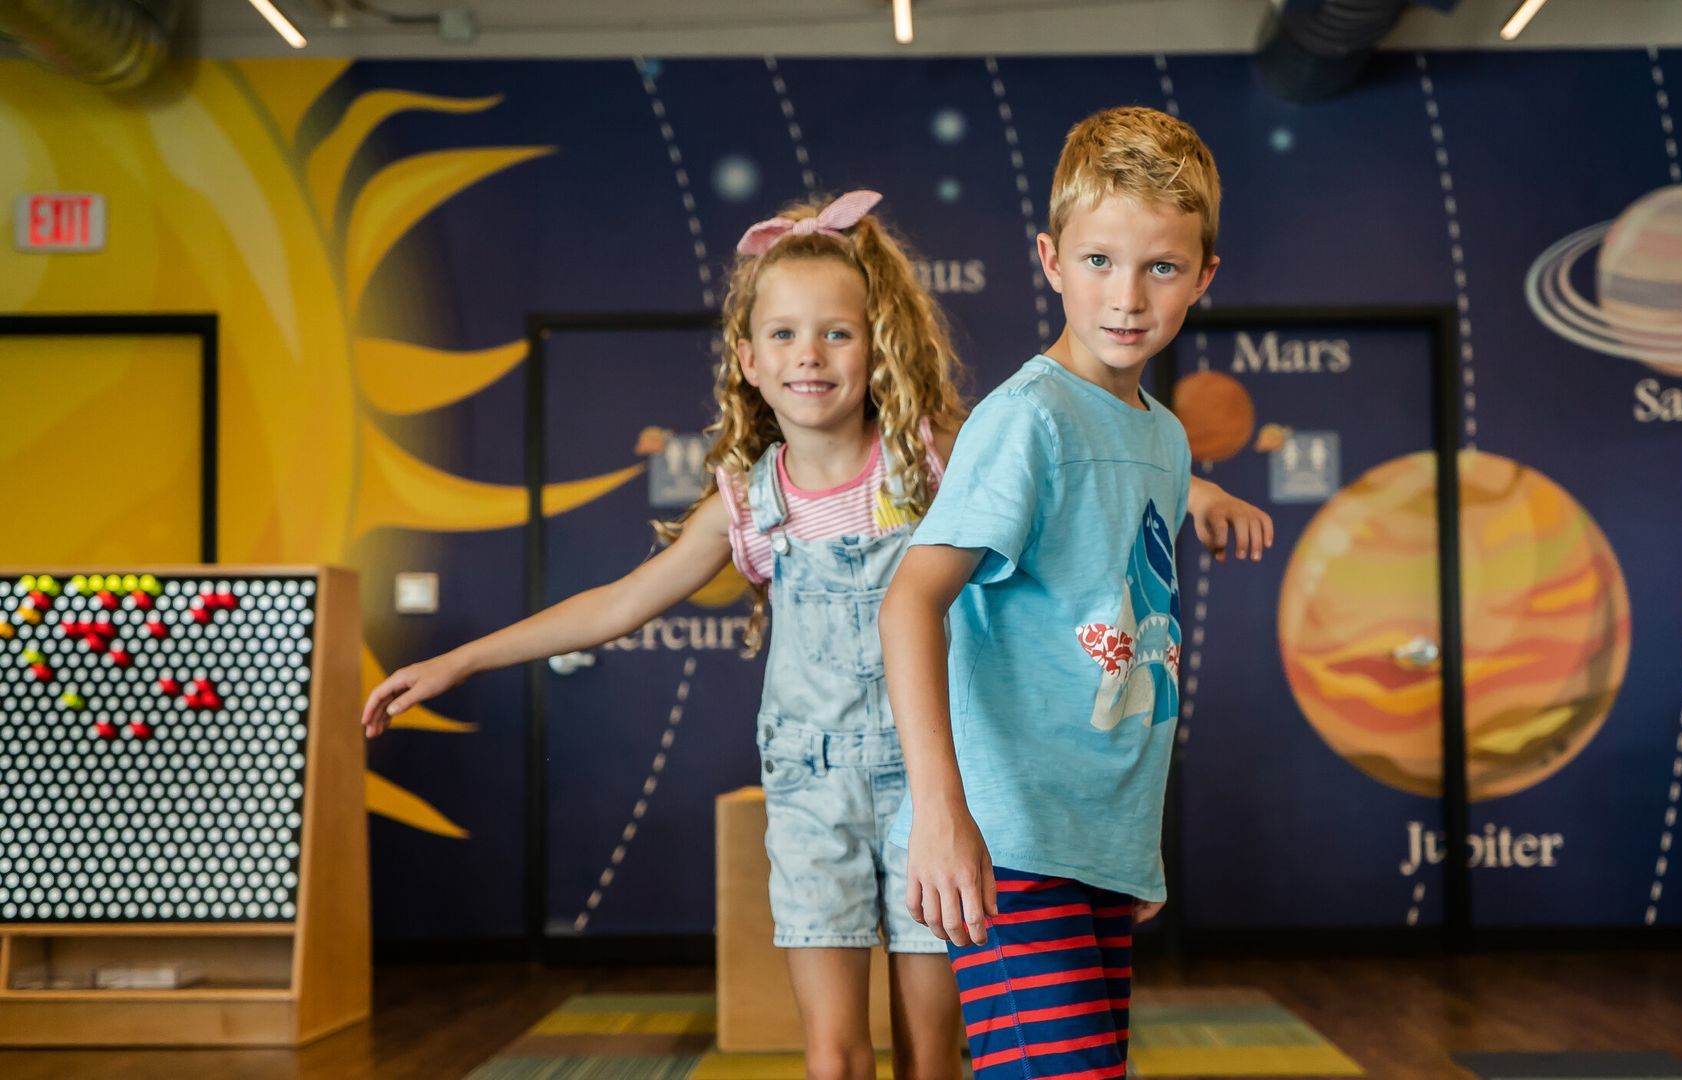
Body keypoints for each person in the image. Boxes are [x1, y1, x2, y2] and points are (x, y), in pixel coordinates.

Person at [362, 186, 1266, 1080]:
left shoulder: (928, 454)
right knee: (835, 1056)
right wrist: (460, 659)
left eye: (838, 332)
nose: (812, 356)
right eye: (786, 335)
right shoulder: (751, 499)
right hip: (813, 793)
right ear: (748, 359)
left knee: (932, 1053)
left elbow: (1073, 459)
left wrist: (1203, 491)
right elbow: (620, 602)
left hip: (936, 780)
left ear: (878, 350)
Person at [880, 106, 1270, 1079]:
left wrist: (1131, 848)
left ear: (1204, 278)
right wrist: (940, 813)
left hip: (1098, 839)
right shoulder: (1027, 421)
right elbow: (909, 602)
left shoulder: (1164, 437)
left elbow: (1125, 619)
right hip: (1007, 836)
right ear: (1051, 259)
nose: (1127, 296)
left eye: (1161, 267)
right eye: (1098, 261)